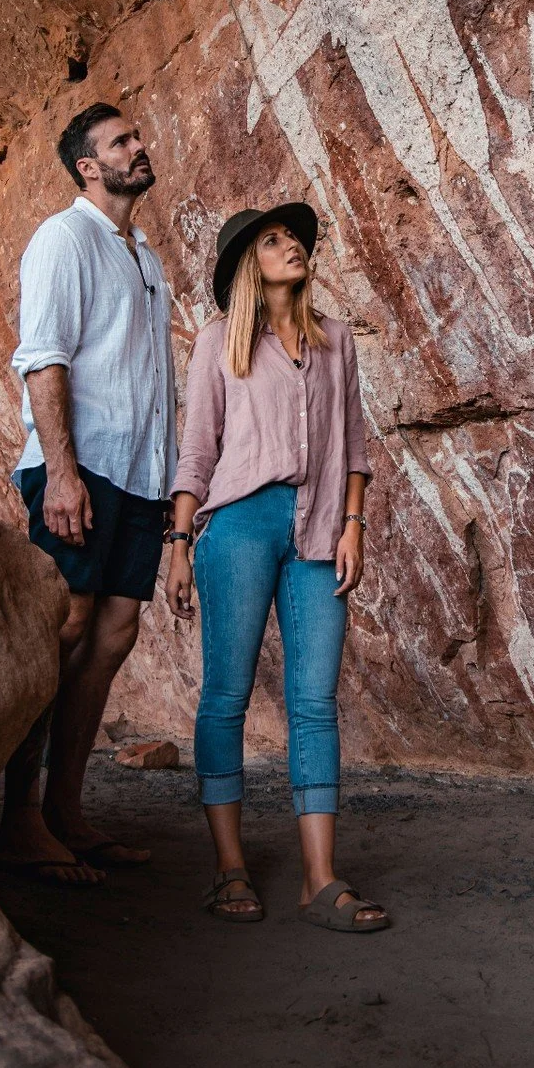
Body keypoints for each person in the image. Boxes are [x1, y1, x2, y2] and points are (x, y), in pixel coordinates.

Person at [166, 204, 389, 931]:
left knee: (316, 701)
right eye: (271, 240)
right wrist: (177, 541)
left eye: (293, 236)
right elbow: (197, 450)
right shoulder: (217, 345)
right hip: (238, 526)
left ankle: (320, 880)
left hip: (321, 529)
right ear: (246, 269)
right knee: (226, 694)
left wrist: (353, 526)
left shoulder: (336, 340)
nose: (291, 244)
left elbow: (354, 444)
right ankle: (229, 866)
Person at [0, 102, 177, 884]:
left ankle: (67, 809)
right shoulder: (63, 238)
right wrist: (62, 472)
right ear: (87, 168)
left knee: (113, 634)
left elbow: (154, 377)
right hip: (80, 465)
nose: (139, 146)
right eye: (121, 142)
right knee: (62, 627)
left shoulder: (145, 258)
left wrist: (167, 485)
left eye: (138, 135)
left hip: (137, 474)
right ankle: (20, 817)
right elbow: (44, 359)